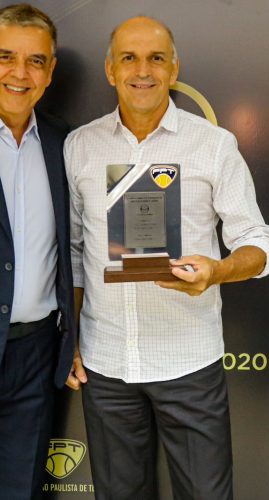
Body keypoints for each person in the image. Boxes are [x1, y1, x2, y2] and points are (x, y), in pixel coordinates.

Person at [64, 15, 269, 500]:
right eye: (129, 58)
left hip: (189, 363)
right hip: (106, 364)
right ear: (110, 70)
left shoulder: (214, 146)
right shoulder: (80, 146)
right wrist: (71, 340)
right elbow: (75, 252)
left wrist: (217, 271)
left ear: (174, 68)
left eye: (156, 58)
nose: (143, 70)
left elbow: (258, 242)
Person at [0, 3, 75, 499]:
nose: (19, 73)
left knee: (19, 488)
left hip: (35, 353)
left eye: (35, 61)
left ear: (50, 72)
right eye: (5, 56)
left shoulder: (63, 143)